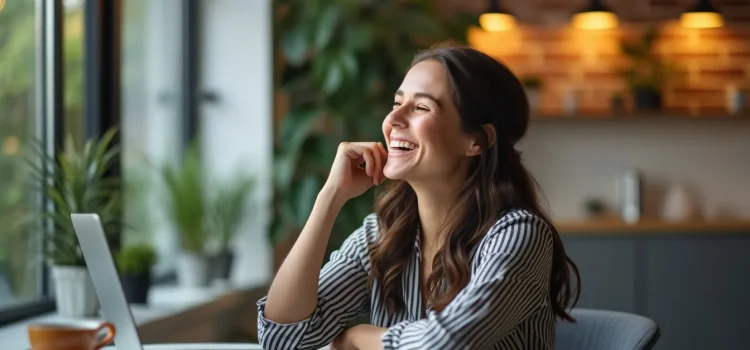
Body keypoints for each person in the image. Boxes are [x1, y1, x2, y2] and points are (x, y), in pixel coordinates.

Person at [256, 43, 581, 350]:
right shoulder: (380, 235)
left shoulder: (519, 234)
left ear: (476, 141)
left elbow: (446, 344)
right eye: (397, 104)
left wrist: (358, 336)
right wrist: (331, 196)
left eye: (422, 107)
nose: (392, 120)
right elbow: (281, 339)